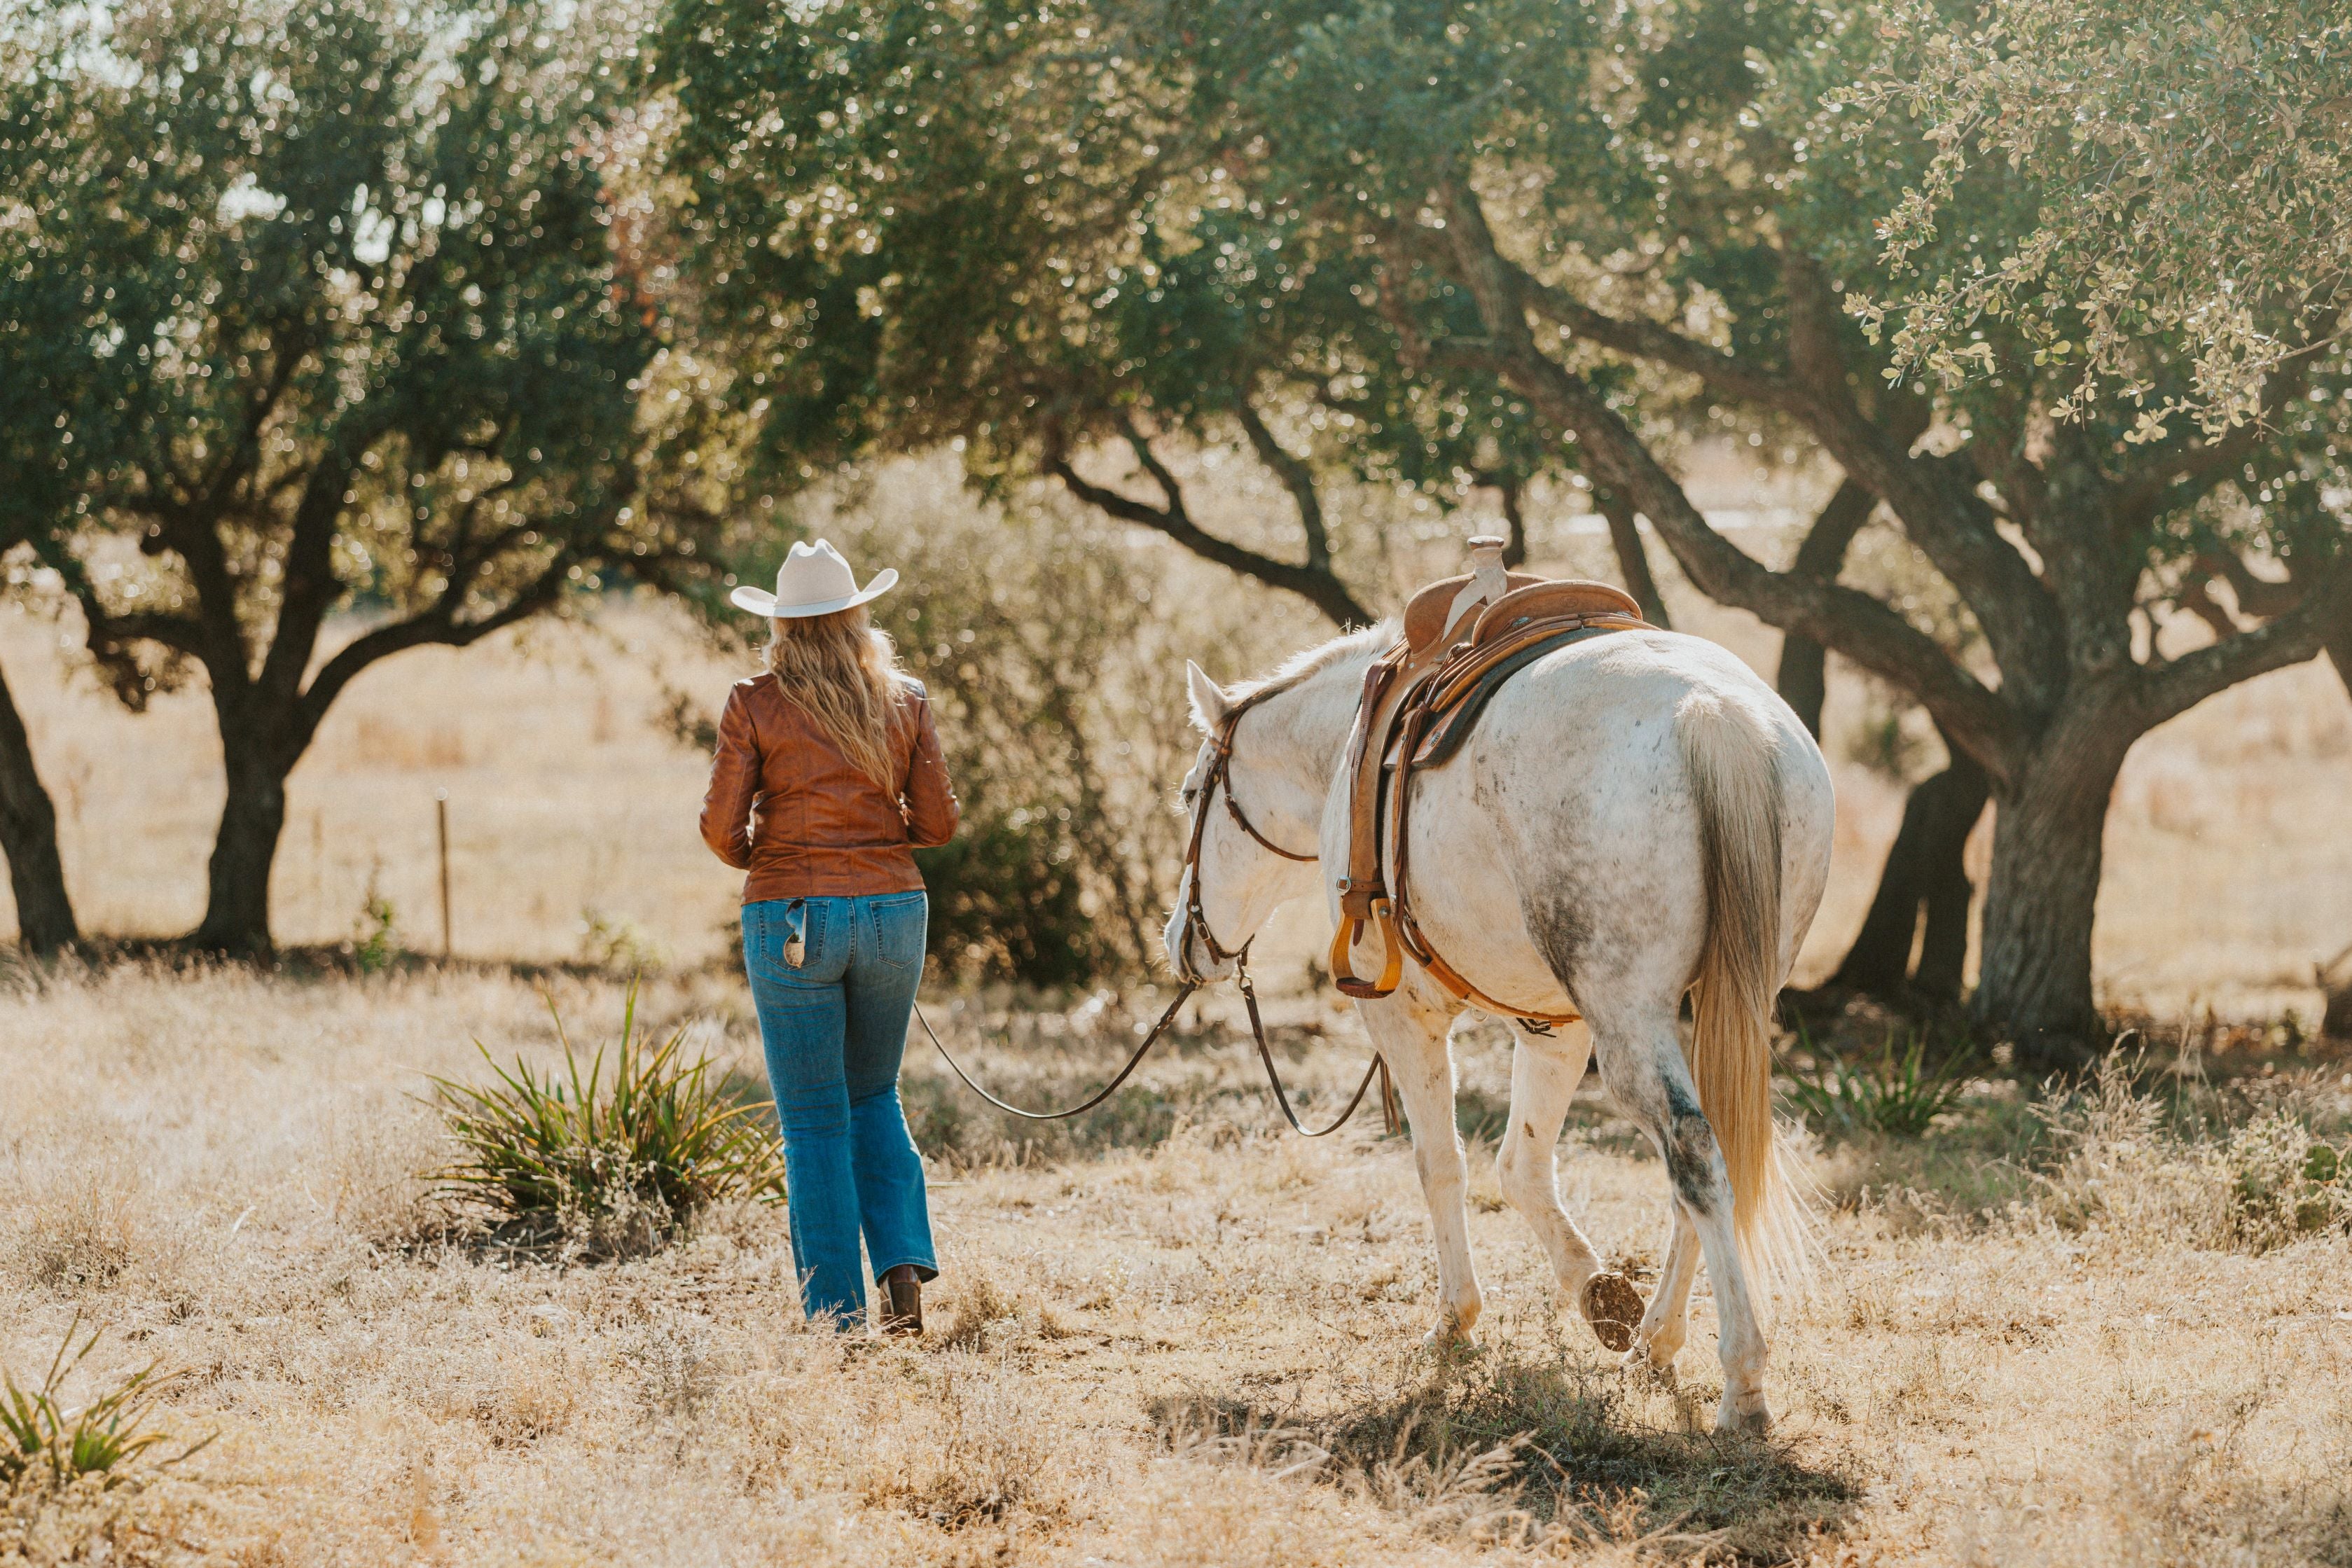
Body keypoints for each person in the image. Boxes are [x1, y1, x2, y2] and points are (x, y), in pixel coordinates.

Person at [700, 539, 959, 1333]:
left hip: (791, 918)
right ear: (856, 617)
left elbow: (719, 826)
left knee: (813, 1118)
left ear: (782, 624)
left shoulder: (755, 699)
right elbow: (941, 824)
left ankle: (838, 1319)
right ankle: (904, 1269)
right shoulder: (905, 698)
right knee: (875, 1094)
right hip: (894, 912)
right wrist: (881, 843)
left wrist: (769, 859)